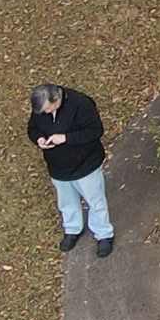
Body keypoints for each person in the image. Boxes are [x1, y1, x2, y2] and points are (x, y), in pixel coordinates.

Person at [29, 83, 112, 257]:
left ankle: (104, 234)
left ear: (56, 99)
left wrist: (66, 138)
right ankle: (73, 229)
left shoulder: (81, 104)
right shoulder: (41, 107)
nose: (45, 113)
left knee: (95, 201)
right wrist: (39, 139)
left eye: (48, 109)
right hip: (58, 167)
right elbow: (32, 128)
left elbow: (95, 131)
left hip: (85, 164)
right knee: (66, 202)